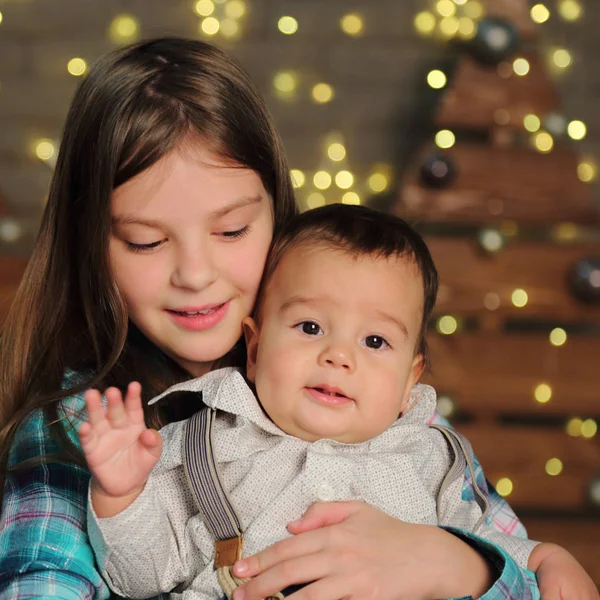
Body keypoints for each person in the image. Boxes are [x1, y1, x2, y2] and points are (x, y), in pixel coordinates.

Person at [0, 37, 594, 600]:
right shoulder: (79, 429)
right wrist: (121, 497)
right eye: (146, 241)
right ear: (91, 247)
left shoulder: (408, 429)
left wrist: (456, 561)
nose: (195, 274)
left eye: (231, 230)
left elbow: (515, 559)